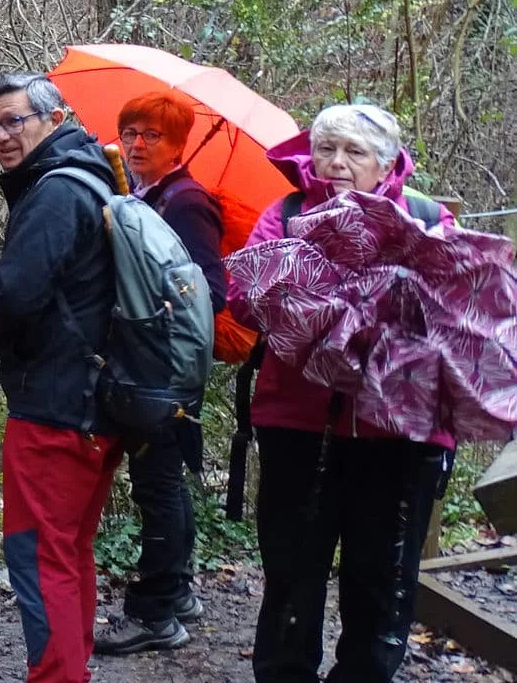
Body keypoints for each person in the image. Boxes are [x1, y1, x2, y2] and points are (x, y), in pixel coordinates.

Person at [233, 103, 455, 683]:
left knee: (381, 571)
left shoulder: (430, 219)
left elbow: (461, 317)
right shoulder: (283, 215)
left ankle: (367, 672)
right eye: (326, 148)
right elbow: (239, 301)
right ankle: (285, 671)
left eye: (354, 152)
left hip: (399, 431)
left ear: (385, 164)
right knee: (291, 564)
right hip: (297, 424)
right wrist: (296, 288)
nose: (335, 163)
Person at [0, 73, 121, 683]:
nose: (1, 135)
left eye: (14, 121)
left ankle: (55, 675)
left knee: (35, 552)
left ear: (53, 121)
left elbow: (16, 299)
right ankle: (70, 668)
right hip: (94, 402)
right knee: (69, 548)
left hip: (56, 406)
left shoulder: (54, 192)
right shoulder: (94, 176)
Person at [95, 90, 226, 655]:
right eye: (131, 133)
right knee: (162, 486)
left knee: (159, 486)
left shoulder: (188, 202)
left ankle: (155, 614)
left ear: (178, 145)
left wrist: (151, 304)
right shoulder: (143, 193)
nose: (137, 144)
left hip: (165, 372)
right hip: (149, 365)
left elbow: (210, 291)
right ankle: (177, 594)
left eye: (152, 136)